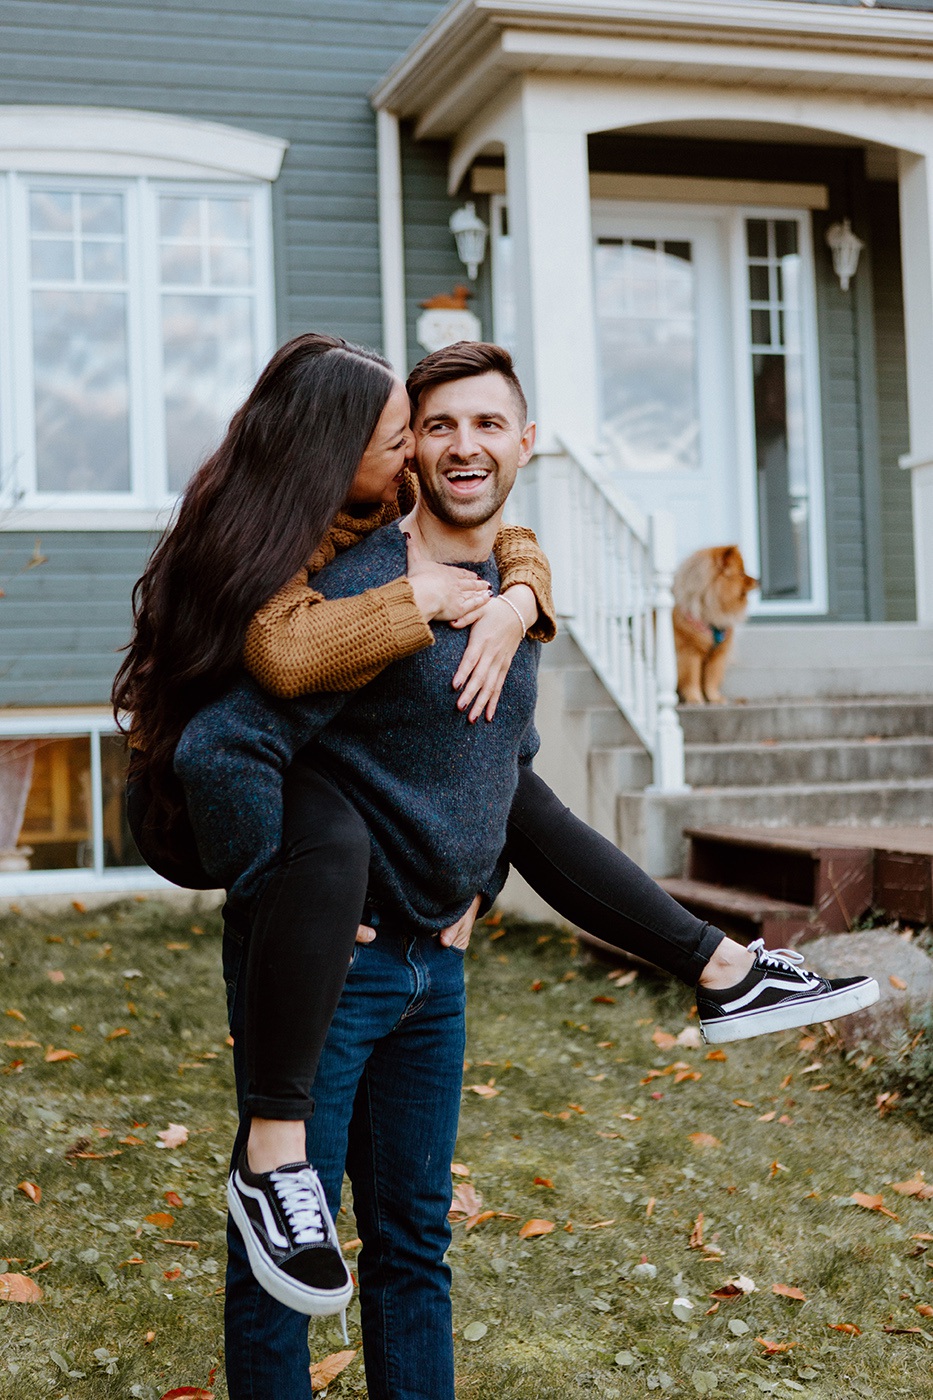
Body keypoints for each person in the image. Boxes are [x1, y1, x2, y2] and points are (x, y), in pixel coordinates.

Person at [173, 343, 879, 1400]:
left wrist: (478, 882)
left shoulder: (511, 580)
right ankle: (726, 967)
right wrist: (284, 887)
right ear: (405, 453)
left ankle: (726, 966)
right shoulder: (365, 585)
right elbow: (231, 744)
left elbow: (501, 777)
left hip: (433, 975)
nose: (463, 444)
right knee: (286, 1256)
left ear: (526, 442)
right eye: (437, 425)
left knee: (414, 1246)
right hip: (333, 969)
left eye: (487, 423)